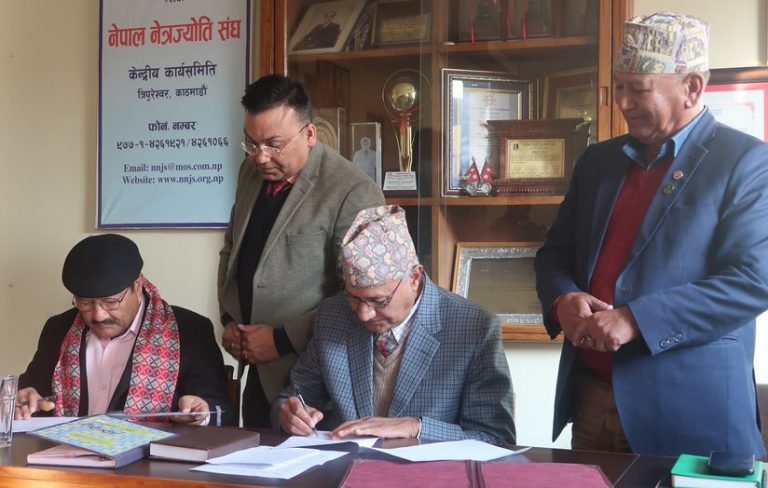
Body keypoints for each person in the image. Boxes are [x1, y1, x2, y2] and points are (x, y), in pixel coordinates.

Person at [534, 12, 768, 457]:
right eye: (618, 86)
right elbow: (554, 253)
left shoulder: (748, 162)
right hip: (591, 400)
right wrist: (562, 298)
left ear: (692, 87)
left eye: (638, 89)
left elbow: (754, 281)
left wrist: (636, 319)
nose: (623, 102)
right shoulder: (597, 162)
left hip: (689, 413)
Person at [218, 74, 384, 428]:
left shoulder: (353, 191)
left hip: (317, 384)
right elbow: (232, 249)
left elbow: (360, 294)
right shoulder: (249, 173)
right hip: (257, 372)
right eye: (251, 143)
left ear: (309, 134)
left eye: (273, 144)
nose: (261, 157)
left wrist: (280, 339)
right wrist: (230, 319)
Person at [274, 205, 515, 445]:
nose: (364, 314)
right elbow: (293, 397)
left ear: (414, 278)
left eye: (379, 300)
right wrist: (288, 413)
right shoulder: (332, 315)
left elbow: (496, 438)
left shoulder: (475, 328)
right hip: (345, 464)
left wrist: (415, 427)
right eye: (353, 297)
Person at [16, 234, 233, 426]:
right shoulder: (59, 329)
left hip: (149, 458)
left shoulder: (189, 331)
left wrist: (201, 412)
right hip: (65, 454)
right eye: (85, 303)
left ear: (137, 286)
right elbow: (30, 390)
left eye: (111, 302)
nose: (98, 315)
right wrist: (25, 399)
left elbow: (221, 411)